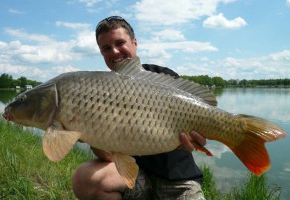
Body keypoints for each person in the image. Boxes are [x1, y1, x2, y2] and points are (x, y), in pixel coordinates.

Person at [72, 16, 207, 200]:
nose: (115, 51)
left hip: (176, 178)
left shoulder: (163, 77)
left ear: (134, 42)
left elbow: (194, 140)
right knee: (84, 178)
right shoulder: (100, 91)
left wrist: (196, 140)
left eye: (120, 43)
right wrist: (87, 132)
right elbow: (109, 156)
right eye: (106, 48)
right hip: (137, 178)